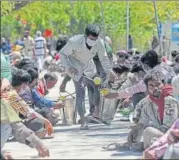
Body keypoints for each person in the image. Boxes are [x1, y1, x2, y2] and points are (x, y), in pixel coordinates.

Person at [60, 24, 117, 129]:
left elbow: (104, 58)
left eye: (95, 38)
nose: (93, 41)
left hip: (89, 66)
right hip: (75, 67)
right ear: (86, 36)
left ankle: (96, 112)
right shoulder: (74, 41)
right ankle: (83, 121)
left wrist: (110, 71)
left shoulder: (99, 42)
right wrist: (68, 67)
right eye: (91, 39)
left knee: (97, 86)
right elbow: (63, 54)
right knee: (80, 92)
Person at [0, 53, 50, 158]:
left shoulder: (7, 92)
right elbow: (17, 126)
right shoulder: (6, 91)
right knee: (6, 126)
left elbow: (24, 113)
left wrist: (38, 143)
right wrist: (39, 144)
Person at [143, 75, 179, 159]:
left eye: (158, 84)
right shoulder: (149, 101)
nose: (155, 88)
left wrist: (157, 149)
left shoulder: (169, 99)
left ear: (163, 85)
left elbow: (169, 128)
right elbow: (141, 122)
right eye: (151, 85)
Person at [11, 67, 53, 138]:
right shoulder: (9, 95)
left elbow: (28, 110)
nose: (26, 87)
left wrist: (46, 121)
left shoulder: (14, 94)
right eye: (25, 84)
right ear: (22, 83)